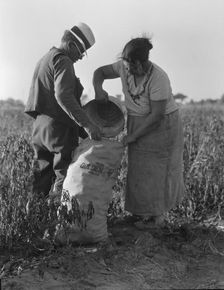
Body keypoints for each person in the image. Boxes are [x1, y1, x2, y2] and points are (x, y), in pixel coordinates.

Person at [92, 36, 185, 228]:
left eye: (133, 67)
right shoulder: (122, 67)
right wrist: (98, 89)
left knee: (158, 170)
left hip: (162, 126)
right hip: (138, 121)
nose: (129, 71)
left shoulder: (158, 77)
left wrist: (133, 136)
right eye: (126, 67)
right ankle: (141, 213)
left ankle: (156, 219)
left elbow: (157, 115)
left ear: (143, 63)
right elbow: (99, 72)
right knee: (139, 169)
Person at [25, 22, 102, 200]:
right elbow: (64, 96)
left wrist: (83, 132)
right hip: (58, 129)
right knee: (64, 177)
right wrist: (88, 125)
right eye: (81, 51)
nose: (81, 57)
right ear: (71, 45)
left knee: (42, 179)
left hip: (40, 129)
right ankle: (61, 224)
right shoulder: (63, 60)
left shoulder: (46, 58)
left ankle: (36, 220)